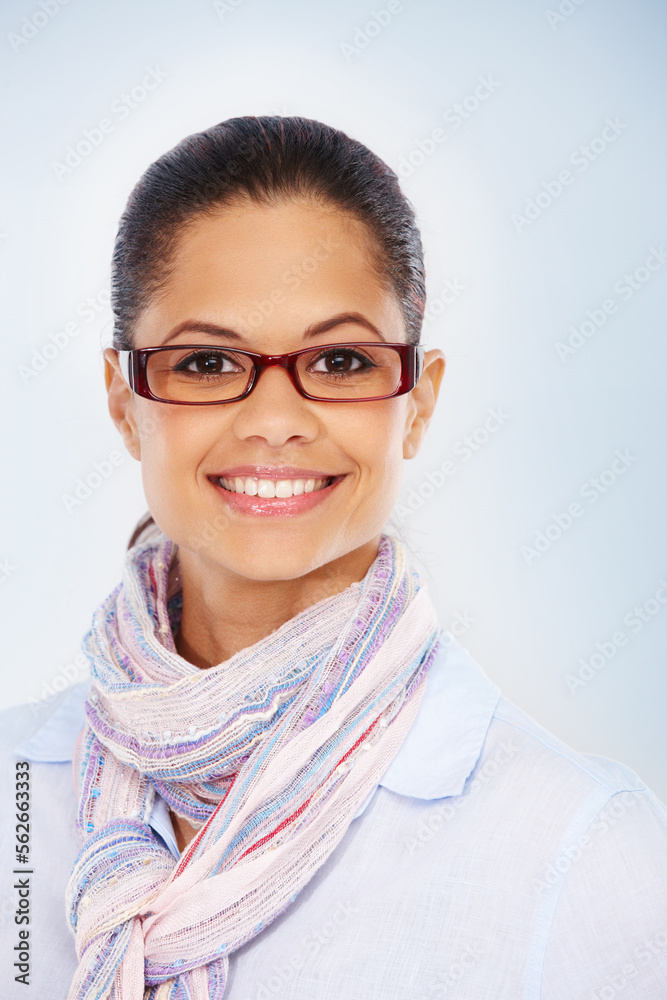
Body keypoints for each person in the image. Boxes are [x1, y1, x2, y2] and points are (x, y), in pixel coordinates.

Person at [1, 116, 665, 1000]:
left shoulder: (579, 851)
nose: (275, 418)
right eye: (205, 361)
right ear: (125, 405)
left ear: (418, 405)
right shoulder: (15, 785)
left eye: (342, 358)